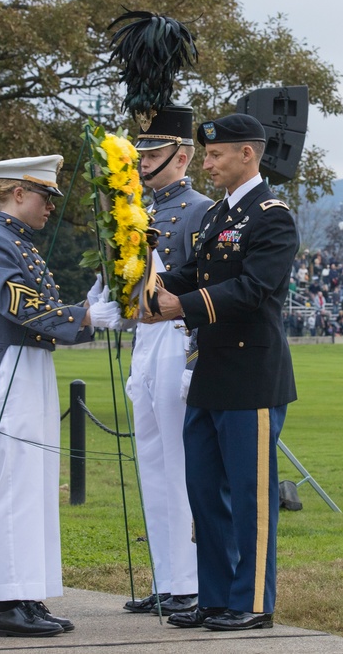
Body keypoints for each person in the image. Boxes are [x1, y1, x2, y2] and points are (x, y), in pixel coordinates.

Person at [144, 113, 298, 631]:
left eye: (214, 155)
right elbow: (193, 270)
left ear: (246, 155)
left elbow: (256, 290)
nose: (206, 164)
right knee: (204, 492)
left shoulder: (271, 215)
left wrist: (179, 305)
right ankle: (213, 597)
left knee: (250, 499)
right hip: (210, 372)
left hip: (250, 374)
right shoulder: (219, 216)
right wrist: (148, 286)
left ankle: (252, 602)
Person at [0, 154, 121, 638]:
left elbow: (44, 308)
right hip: (10, 370)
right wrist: (86, 318)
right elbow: (21, 306)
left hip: (30, 368)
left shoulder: (18, 245)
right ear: (17, 193)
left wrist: (85, 306)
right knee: (19, 487)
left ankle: (27, 595)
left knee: (36, 486)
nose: (51, 206)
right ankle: (8, 605)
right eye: (45, 196)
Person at [121, 105, 210, 617]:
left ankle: (190, 581)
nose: (142, 164)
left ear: (182, 156)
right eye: (140, 155)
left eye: (151, 155)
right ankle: (166, 576)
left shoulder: (199, 210)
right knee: (152, 464)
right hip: (145, 338)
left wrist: (196, 358)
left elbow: (203, 286)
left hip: (177, 337)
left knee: (179, 465)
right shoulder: (139, 212)